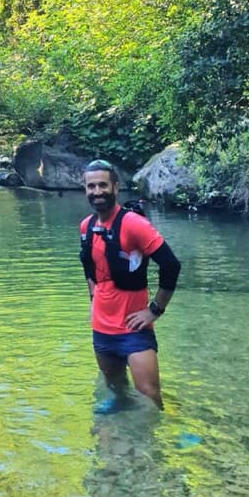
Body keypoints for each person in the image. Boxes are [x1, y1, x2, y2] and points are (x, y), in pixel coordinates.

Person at [79, 159, 181, 412]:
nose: (97, 191)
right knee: (117, 388)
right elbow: (90, 269)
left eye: (103, 185)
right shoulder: (87, 226)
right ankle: (121, 420)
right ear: (85, 189)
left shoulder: (134, 224)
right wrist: (93, 301)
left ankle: (167, 429)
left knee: (149, 395)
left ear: (115, 187)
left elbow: (170, 264)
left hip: (133, 330)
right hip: (102, 329)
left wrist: (155, 310)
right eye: (91, 186)